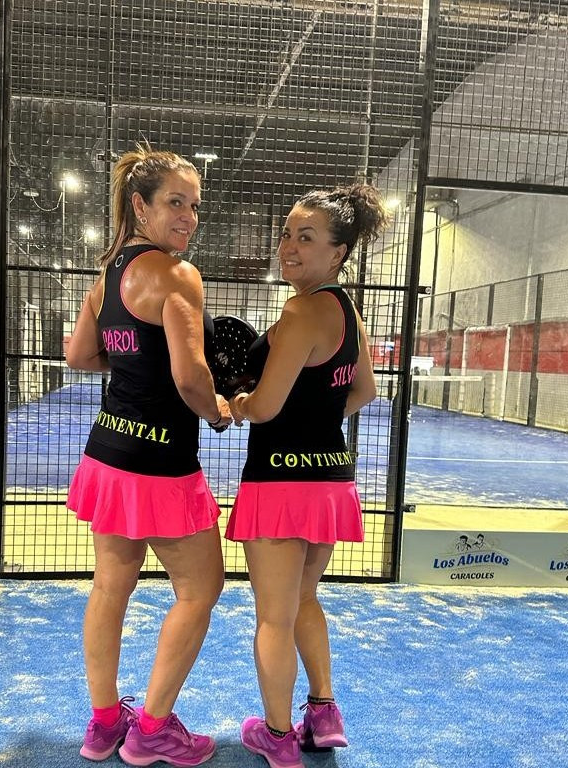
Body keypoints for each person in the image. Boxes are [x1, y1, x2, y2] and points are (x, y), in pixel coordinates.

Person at [65, 145, 232, 766]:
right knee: (201, 589)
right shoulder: (178, 274)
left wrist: (136, 364)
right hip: (160, 463)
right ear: (140, 206)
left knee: (111, 586)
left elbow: (80, 356)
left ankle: (105, 722)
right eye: (175, 203)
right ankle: (153, 728)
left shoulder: (108, 277)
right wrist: (217, 409)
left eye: (195, 205)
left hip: (108, 453)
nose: (189, 216)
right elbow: (191, 379)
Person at [225, 186, 390, 768]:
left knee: (274, 617)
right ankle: (323, 713)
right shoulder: (346, 310)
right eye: (288, 233)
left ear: (338, 252)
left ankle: (276, 736)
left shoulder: (299, 312)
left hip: (278, 482)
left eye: (307, 238)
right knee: (303, 599)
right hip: (330, 479)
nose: (289, 247)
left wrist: (238, 403)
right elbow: (364, 391)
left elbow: (265, 407)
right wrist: (316, 420)